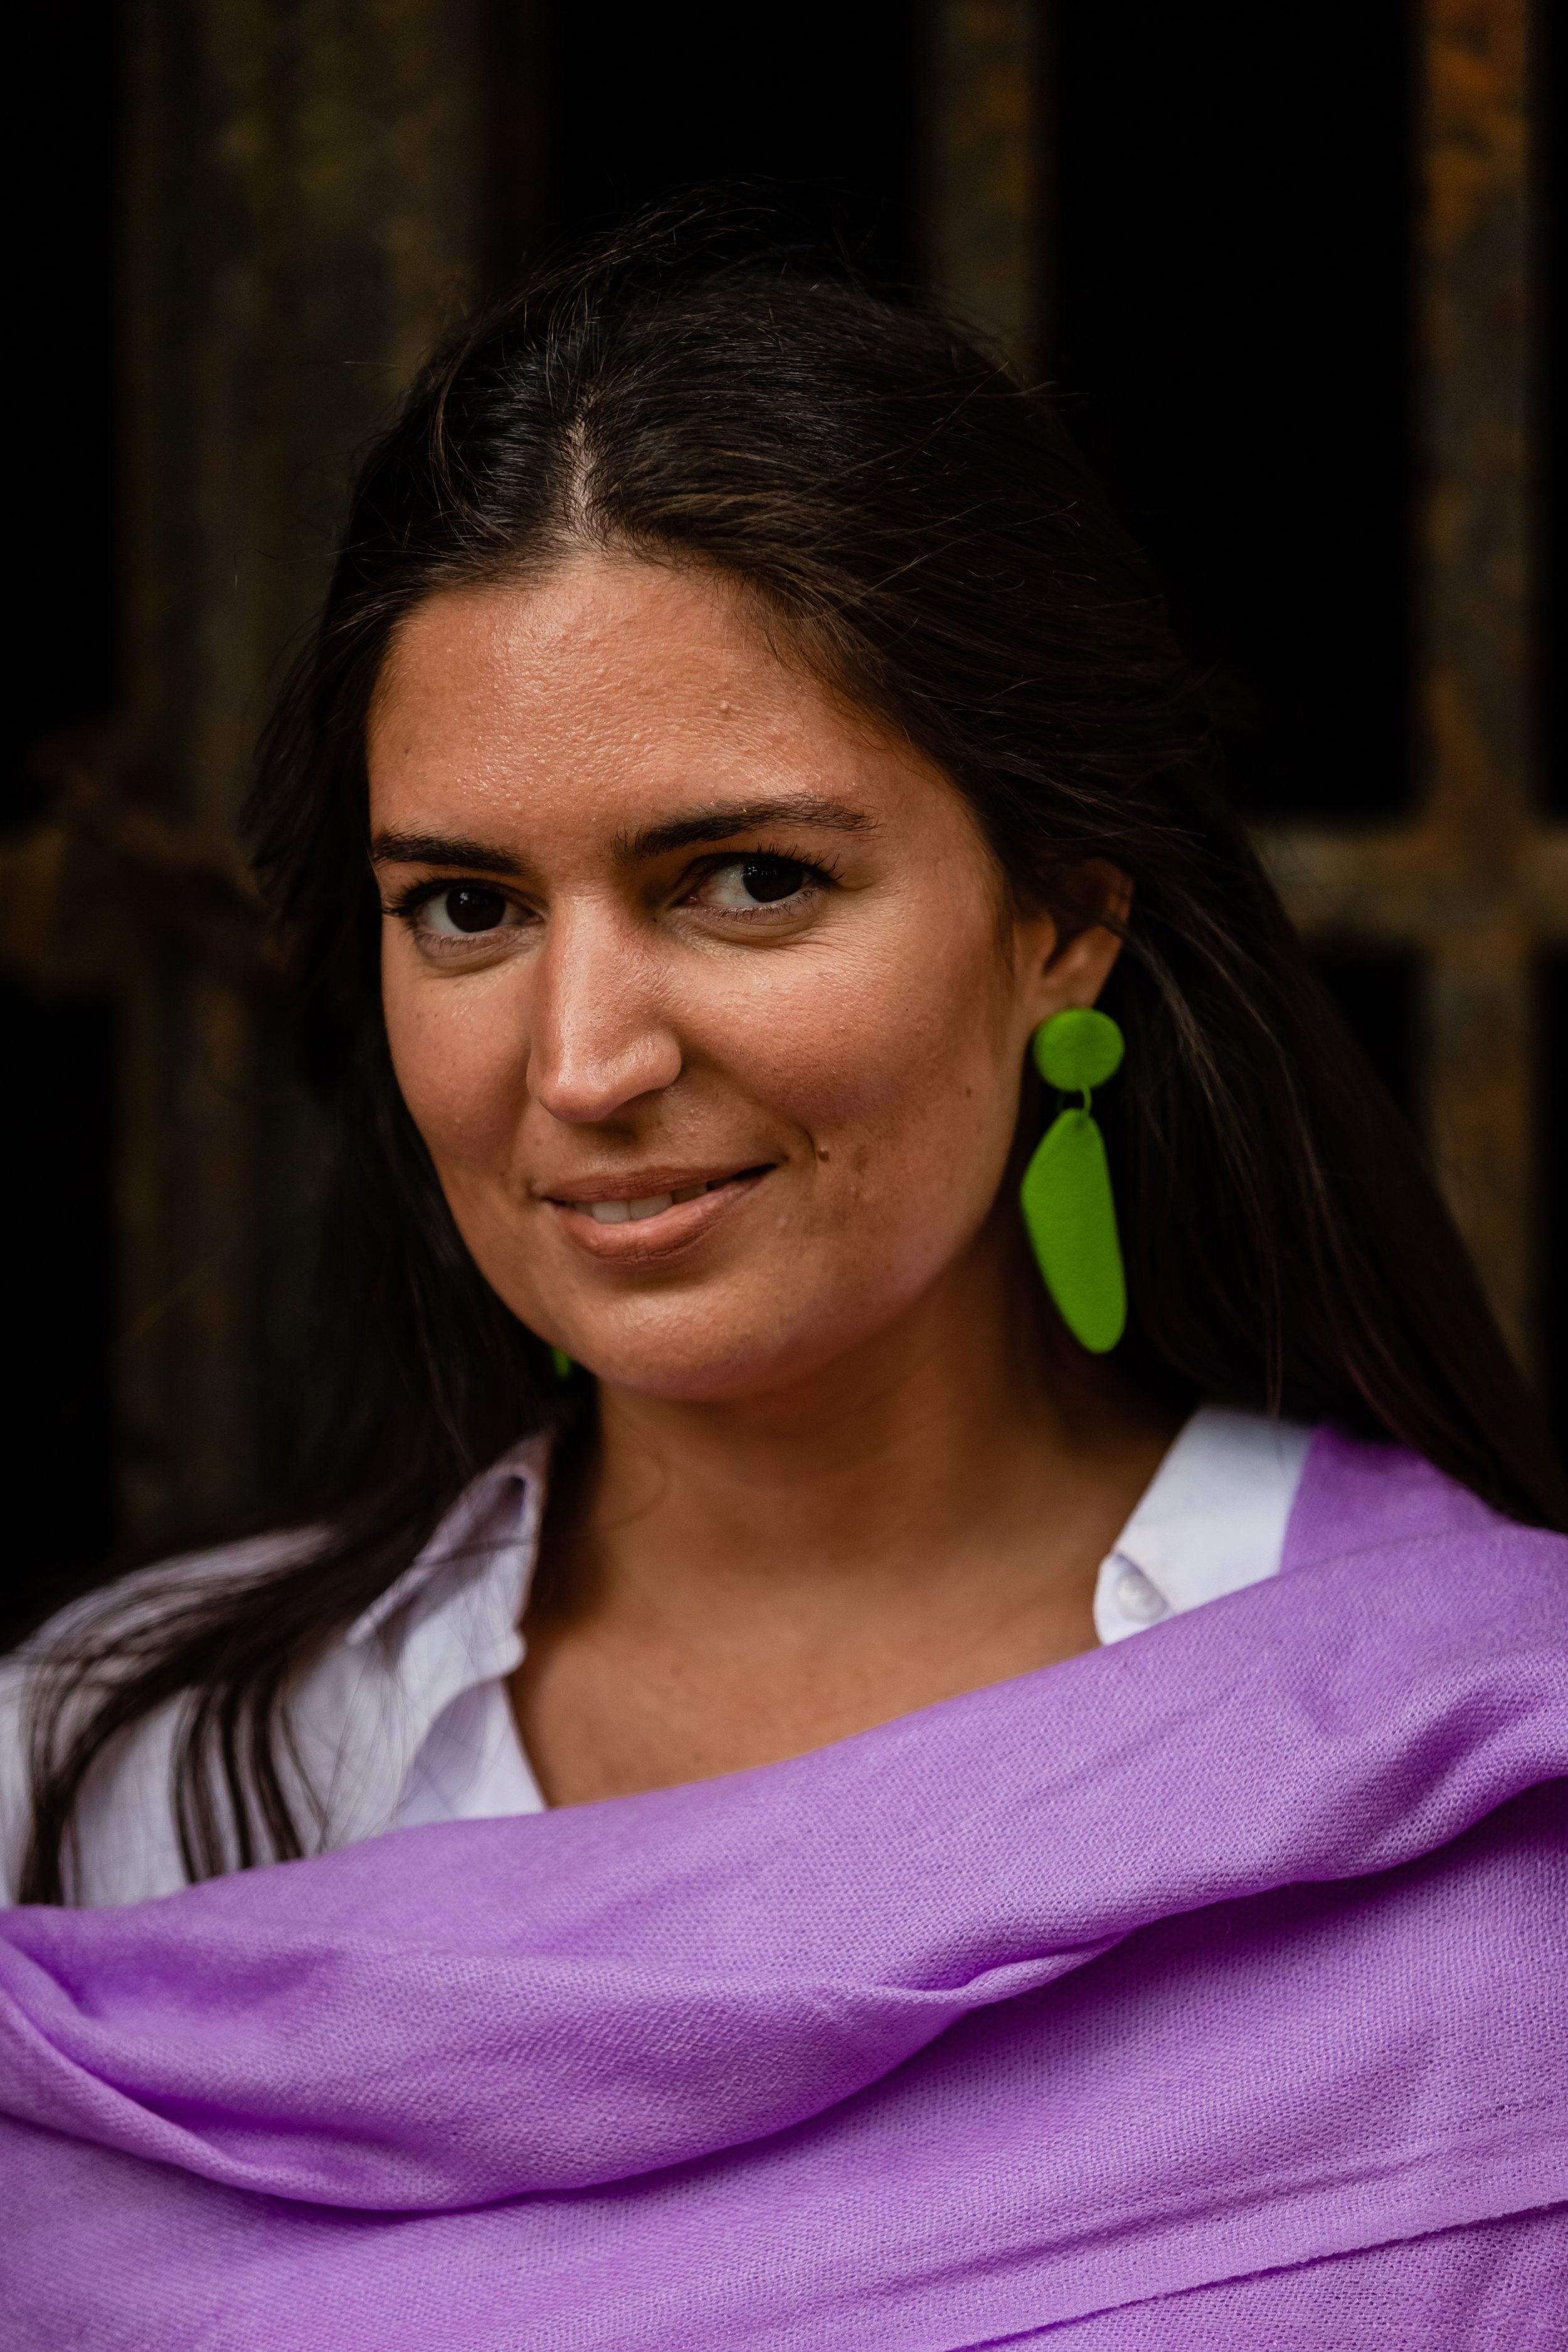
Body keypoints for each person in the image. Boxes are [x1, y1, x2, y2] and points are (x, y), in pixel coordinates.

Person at [3, 219, 1564, 2349]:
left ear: (1062, 927)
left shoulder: (1480, 1779)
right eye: (463, 908)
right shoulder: (133, 1763)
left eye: (745, 881)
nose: (580, 1064)